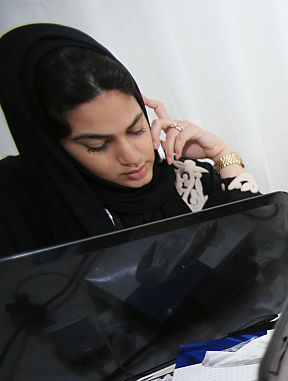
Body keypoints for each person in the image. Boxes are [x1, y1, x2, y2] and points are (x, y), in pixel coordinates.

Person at [0, 23, 259, 258]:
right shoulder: (16, 205)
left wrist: (223, 156)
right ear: (51, 149)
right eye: (97, 146)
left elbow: (264, 252)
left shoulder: (184, 180)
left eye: (137, 130)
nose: (132, 157)